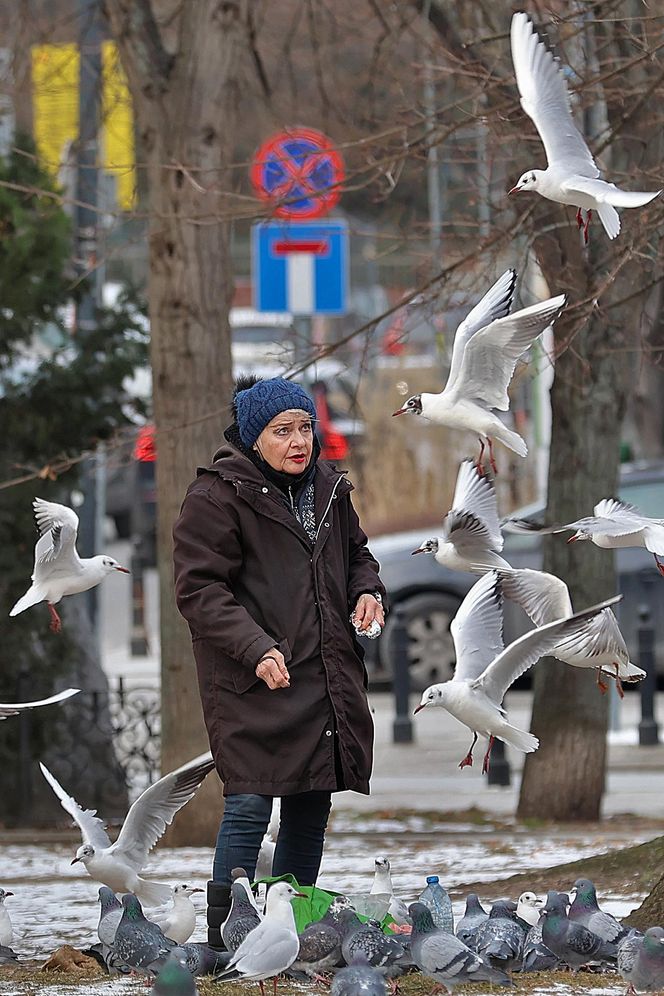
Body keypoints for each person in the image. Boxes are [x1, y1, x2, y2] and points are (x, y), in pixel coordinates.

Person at [172, 375, 386, 949]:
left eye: (305, 429)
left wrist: (367, 590)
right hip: (250, 680)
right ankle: (225, 939)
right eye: (281, 431)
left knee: (310, 805)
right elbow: (199, 591)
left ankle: (287, 932)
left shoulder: (329, 488)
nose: (298, 442)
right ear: (253, 437)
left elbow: (357, 554)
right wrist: (256, 646)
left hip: (322, 678)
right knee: (248, 803)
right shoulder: (216, 497)